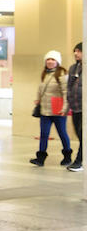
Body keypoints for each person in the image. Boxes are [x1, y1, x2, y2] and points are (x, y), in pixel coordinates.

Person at [30, 50, 71, 166]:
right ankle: (41, 158)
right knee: (44, 134)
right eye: (48, 59)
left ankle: (67, 156)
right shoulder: (45, 73)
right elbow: (40, 89)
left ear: (57, 61)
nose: (50, 61)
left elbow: (66, 92)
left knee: (62, 133)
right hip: (45, 110)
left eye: (53, 59)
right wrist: (38, 99)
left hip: (58, 111)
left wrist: (65, 109)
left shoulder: (62, 74)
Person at [68, 43, 83, 172]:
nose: (76, 53)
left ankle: (79, 161)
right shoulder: (73, 68)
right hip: (75, 107)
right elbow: (69, 87)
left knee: (84, 135)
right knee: (79, 134)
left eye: (79, 51)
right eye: (75, 51)